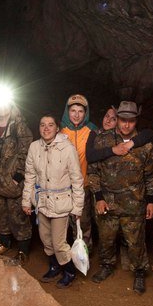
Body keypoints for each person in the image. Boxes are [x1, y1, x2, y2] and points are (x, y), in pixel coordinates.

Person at [86, 100, 153, 294]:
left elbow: (151, 175)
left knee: (135, 241)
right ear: (116, 118)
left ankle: (139, 271)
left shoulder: (145, 145)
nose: (126, 125)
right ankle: (107, 265)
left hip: (135, 203)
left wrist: (151, 201)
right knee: (106, 238)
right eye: (123, 119)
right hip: (108, 202)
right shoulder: (102, 140)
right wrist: (99, 197)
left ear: (136, 121)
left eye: (131, 121)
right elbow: (93, 172)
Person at [23, 115, 85, 288]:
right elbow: (30, 176)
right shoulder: (34, 147)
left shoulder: (67, 148)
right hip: (41, 202)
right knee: (46, 240)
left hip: (61, 204)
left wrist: (77, 207)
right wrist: (26, 201)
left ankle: (69, 271)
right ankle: (54, 266)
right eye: (42, 125)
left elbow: (77, 179)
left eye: (50, 125)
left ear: (57, 128)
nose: (46, 128)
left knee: (59, 243)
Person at [0, 98, 35, 261]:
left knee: (17, 214)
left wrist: (18, 177)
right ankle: (5, 243)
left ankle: (23, 250)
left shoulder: (19, 126)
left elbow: (27, 153)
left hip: (13, 180)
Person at [59, 94, 98, 236]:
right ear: (67, 111)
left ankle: (84, 248)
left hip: (83, 185)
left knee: (83, 222)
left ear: (85, 113)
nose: (76, 115)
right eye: (73, 111)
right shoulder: (59, 130)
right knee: (62, 223)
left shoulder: (92, 130)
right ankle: (64, 248)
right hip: (62, 186)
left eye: (80, 111)